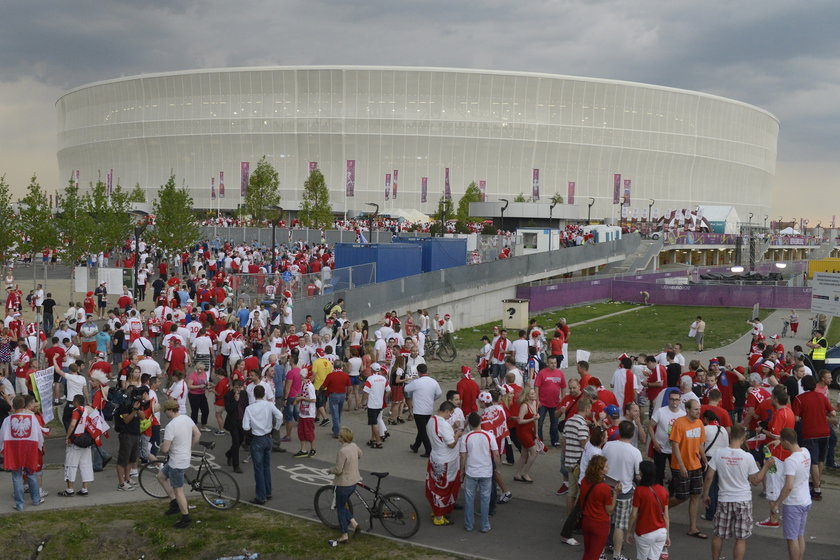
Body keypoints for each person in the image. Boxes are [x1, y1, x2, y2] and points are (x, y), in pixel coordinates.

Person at [703, 424, 773, 560]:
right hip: (743, 500)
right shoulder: (747, 457)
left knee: (719, 534)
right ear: (743, 438)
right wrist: (766, 467)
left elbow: (709, 477)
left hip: (724, 499)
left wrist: (705, 495)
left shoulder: (718, 453)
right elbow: (756, 480)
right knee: (740, 538)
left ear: (730, 436)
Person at [157, 399, 201, 528]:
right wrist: (190, 447)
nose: (165, 414)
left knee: (179, 491)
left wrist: (161, 447)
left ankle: (185, 517)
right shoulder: (186, 419)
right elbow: (197, 434)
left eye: (166, 411)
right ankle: (174, 503)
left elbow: (165, 449)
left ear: (170, 410)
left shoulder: (171, 426)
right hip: (181, 458)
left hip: (176, 461)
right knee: (160, 476)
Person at [603, 420, 642, 560]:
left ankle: (601, 552)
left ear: (619, 431)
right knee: (620, 525)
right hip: (624, 491)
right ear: (632, 434)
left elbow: (602, 464)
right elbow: (638, 474)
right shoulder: (635, 452)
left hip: (607, 488)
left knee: (605, 521)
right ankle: (617, 555)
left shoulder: (608, 445)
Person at [791, 374, 835, 501]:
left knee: (813, 462)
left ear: (803, 385)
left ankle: (816, 490)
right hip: (824, 431)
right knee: (821, 459)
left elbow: (797, 418)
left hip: (810, 433)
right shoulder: (822, 397)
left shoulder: (799, 399)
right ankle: (817, 482)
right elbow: (832, 412)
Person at [770, 428, 812, 560]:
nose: (781, 444)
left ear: (786, 442)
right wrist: (780, 439)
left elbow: (788, 486)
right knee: (799, 535)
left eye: (782, 441)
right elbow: (789, 441)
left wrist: (776, 504)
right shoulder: (806, 452)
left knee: (791, 538)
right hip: (805, 500)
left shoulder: (791, 461)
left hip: (793, 503)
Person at [668, 399, 707, 539]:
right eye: (696, 409)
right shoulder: (679, 423)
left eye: (699, 409)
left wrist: (704, 459)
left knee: (695, 495)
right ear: (688, 410)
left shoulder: (700, 423)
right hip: (681, 466)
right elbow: (675, 446)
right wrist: (682, 466)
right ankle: (663, 508)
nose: (698, 412)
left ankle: (692, 527)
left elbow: (700, 445)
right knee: (681, 496)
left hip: (696, 465)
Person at [0, 395, 45, 511]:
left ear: (13, 406)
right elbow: (39, 434)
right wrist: (40, 446)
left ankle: (20, 504)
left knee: (16, 476)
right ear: (24, 405)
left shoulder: (7, 420)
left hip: (14, 450)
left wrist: (3, 449)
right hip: (29, 448)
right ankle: (36, 499)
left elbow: (2, 436)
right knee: (31, 473)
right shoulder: (32, 418)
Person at [242, 384, 283, 504]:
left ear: (254, 395)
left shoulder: (249, 408)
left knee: (258, 468)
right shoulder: (269, 405)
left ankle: (261, 496)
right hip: (268, 437)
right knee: (266, 466)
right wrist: (276, 427)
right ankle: (268, 491)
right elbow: (279, 415)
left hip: (257, 438)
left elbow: (245, 426)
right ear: (264, 394)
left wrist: (251, 426)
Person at [459, 411, 499, 533]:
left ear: (469, 424)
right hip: (486, 471)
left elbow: (463, 456)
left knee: (469, 499)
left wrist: (462, 471)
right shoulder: (489, 436)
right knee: (485, 499)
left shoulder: (466, 437)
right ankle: (484, 525)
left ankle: (469, 524)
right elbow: (496, 454)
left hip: (471, 471)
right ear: (480, 421)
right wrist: (496, 468)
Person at [426, 401, 464, 526]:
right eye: (451, 413)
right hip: (446, 461)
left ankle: (437, 510)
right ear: (447, 411)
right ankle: (439, 516)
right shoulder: (443, 425)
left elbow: (441, 437)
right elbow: (451, 444)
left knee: (436, 486)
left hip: (436, 457)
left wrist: (452, 429)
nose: (451, 416)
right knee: (444, 489)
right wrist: (457, 434)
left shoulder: (431, 421)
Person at [627, 461, 670, 560]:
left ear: (643, 473)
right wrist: (667, 535)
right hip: (661, 532)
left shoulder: (639, 491)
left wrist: (629, 531)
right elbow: (666, 516)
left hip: (644, 532)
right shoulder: (663, 490)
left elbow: (634, 514)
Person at [328, 426, 362, 545]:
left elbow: (338, 470)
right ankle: (354, 524)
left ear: (342, 438)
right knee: (343, 504)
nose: (338, 436)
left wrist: (330, 470)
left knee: (340, 508)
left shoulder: (342, 451)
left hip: (344, 484)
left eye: (340, 435)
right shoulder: (354, 446)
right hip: (354, 481)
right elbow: (360, 454)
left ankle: (344, 535)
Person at [580, 454, 618, 560]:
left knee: (587, 552)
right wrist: (615, 494)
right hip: (600, 524)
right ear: (599, 469)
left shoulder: (584, 481)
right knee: (594, 555)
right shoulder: (604, 488)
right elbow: (609, 510)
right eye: (605, 466)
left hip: (586, 521)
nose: (608, 468)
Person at [647, 390, 685, 485]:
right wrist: (654, 442)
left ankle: (672, 492)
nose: (674, 402)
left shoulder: (683, 415)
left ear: (680, 401)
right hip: (660, 448)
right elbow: (650, 426)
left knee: (675, 473)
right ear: (668, 400)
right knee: (658, 473)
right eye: (672, 399)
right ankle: (658, 492)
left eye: (676, 399)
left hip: (675, 450)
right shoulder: (660, 411)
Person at [405, 364, 442, 457]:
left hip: (419, 410)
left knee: (422, 431)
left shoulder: (417, 382)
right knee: (422, 429)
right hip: (428, 409)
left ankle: (428, 450)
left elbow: (406, 389)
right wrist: (432, 399)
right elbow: (439, 393)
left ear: (418, 372)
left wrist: (412, 380)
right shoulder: (433, 381)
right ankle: (416, 446)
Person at [534, 355, 566, 447]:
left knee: (554, 423)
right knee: (539, 423)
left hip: (555, 403)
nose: (553, 365)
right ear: (548, 363)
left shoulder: (560, 373)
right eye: (551, 363)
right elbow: (537, 386)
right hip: (543, 403)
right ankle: (539, 440)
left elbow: (563, 387)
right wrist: (537, 400)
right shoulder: (542, 373)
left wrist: (563, 400)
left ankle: (555, 440)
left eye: (555, 363)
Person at [513, 386, 539, 483]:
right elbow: (519, 421)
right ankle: (525, 473)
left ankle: (518, 474)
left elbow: (535, 418)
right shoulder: (524, 406)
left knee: (524, 453)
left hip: (529, 430)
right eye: (532, 394)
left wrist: (536, 433)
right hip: (523, 431)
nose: (534, 395)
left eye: (534, 393)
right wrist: (532, 419)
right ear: (527, 396)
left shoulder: (535, 402)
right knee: (534, 452)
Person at [224, 379, 247, 473]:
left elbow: (246, 406)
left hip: (242, 421)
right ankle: (236, 466)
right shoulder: (228, 396)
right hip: (233, 422)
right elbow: (229, 410)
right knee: (236, 442)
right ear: (232, 386)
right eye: (236, 387)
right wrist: (236, 401)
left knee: (241, 440)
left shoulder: (244, 394)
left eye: (239, 387)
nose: (238, 390)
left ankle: (229, 454)